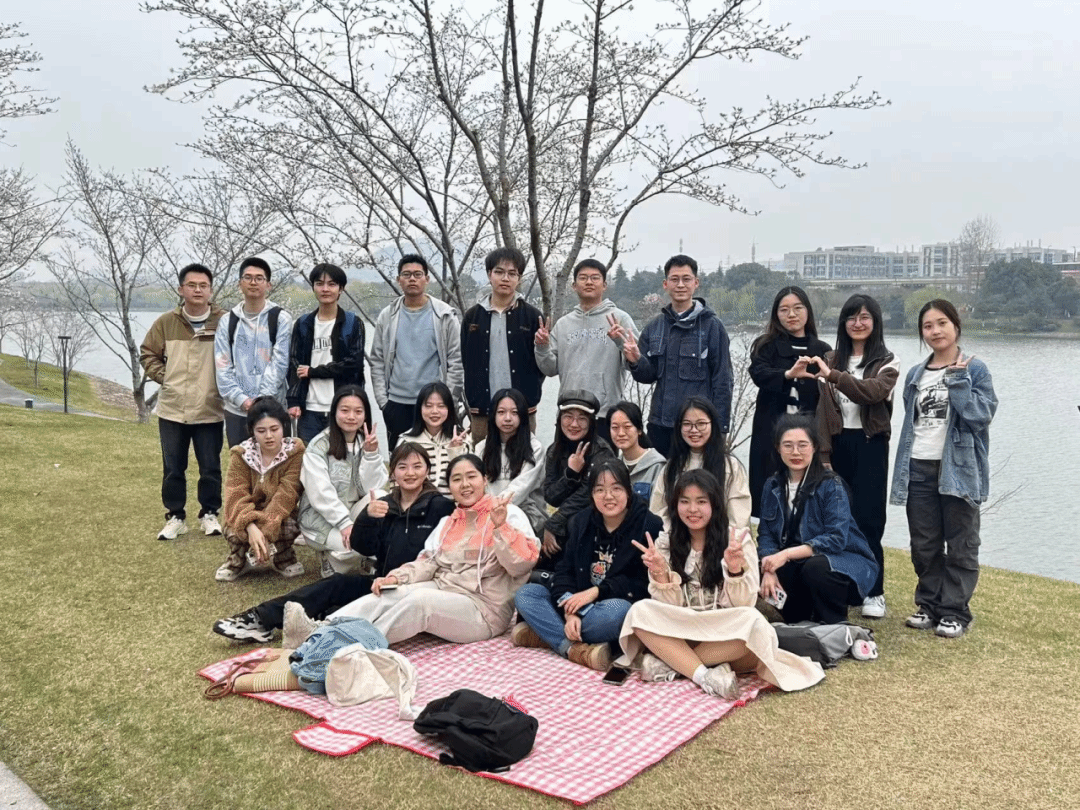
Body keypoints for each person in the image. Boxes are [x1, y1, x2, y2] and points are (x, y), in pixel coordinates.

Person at [213, 443, 455, 643]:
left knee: (339, 612)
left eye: (417, 466)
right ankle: (259, 618)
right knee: (336, 585)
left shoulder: (440, 507)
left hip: (412, 591)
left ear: (427, 471)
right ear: (393, 473)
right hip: (380, 584)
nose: (410, 473)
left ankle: (312, 626)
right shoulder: (385, 505)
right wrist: (368, 517)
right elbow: (363, 547)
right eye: (402, 467)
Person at [618, 469, 824, 697]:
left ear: (715, 505)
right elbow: (670, 607)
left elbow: (744, 604)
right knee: (639, 611)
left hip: (724, 632)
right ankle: (705, 676)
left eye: (701, 501)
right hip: (683, 630)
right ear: (675, 505)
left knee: (754, 622)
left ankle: (674, 664)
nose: (692, 509)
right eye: (684, 501)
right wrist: (660, 573)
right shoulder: (666, 542)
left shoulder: (737, 540)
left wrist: (735, 570)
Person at [311, 454, 539, 644]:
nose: (465, 484)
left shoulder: (509, 514)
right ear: (450, 487)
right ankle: (321, 631)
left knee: (421, 601)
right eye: (457, 479)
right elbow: (428, 563)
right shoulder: (449, 522)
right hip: (444, 590)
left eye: (471, 477)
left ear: (485, 479)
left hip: (484, 609)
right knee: (392, 592)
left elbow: (521, 566)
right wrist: (396, 578)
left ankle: (346, 644)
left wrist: (500, 527)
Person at [890, 300, 997, 639]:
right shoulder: (915, 374)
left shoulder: (975, 369)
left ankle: (954, 611)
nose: (935, 331)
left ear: (955, 326)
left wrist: (959, 381)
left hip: (958, 468)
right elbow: (914, 420)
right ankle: (930, 604)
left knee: (962, 542)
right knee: (924, 544)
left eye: (941, 323)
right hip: (917, 465)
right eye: (927, 326)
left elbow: (980, 417)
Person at [513, 460, 660, 671]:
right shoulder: (581, 521)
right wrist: (569, 612)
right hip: (576, 604)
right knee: (527, 594)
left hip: (606, 609)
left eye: (616, 488)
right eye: (600, 490)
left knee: (620, 611)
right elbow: (565, 570)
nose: (608, 496)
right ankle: (573, 649)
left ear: (628, 491)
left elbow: (640, 584)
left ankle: (546, 635)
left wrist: (596, 592)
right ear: (591, 494)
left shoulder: (648, 524)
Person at [813, 294, 900, 619]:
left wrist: (834, 376)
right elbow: (823, 412)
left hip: (870, 445)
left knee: (869, 519)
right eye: (851, 317)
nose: (858, 323)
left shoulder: (888, 362)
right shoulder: (831, 358)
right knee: (837, 519)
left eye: (865, 317)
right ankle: (847, 587)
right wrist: (823, 454)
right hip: (838, 445)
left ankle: (874, 592)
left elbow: (871, 393)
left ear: (875, 322)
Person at [757, 415, 879, 625]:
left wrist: (785, 555)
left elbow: (836, 538)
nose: (796, 452)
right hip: (797, 560)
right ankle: (801, 619)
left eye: (802, 445)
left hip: (843, 561)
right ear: (778, 448)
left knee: (816, 567)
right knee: (755, 563)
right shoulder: (773, 485)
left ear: (814, 447)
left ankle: (835, 622)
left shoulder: (831, 484)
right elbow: (766, 534)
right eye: (788, 445)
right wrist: (768, 568)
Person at [139, 262, 227, 540]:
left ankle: (209, 514)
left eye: (203, 285)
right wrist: (166, 377)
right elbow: (147, 353)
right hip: (173, 409)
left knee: (210, 467)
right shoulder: (166, 322)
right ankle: (175, 516)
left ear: (210, 290)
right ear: (181, 289)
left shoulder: (224, 321)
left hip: (210, 407)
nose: (197, 290)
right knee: (173, 468)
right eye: (192, 285)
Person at [621, 254, 733, 456]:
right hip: (660, 424)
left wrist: (720, 427)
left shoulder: (712, 327)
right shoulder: (655, 327)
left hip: (696, 428)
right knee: (660, 476)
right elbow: (647, 376)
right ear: (665, 284)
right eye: (674, 279)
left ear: (696, 283)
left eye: (686, 279)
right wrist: (635, 360)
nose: (680, 285)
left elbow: (723, 380)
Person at [747, 286, 832, 517]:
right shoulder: (765, 346)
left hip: (809, 438)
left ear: (808, 311)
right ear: (776, 314)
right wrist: (787, 374)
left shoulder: (822, 350)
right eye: (784, 310)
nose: (791, 314)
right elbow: (758, 374)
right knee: (770, 499)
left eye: (797, 308)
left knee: (808, 502)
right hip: (770, 434)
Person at [534, 258, 636, 444]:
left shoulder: (620, 319)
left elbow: (636, 364)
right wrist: (541, 347)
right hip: (569, 412)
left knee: (604, 463)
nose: (589, 282)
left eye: (595, 278)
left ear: (604, 285)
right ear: (574, 286)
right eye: (583, 278)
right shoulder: (563, 324)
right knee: (566, 462)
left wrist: (622, 343)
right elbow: (549, 369)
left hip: (605, 413)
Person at [369, 254, 464, 449]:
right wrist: (383, 402)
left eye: (417, 274)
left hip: (434, 404)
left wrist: (448, 401)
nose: (412, 279)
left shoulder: (444, 315)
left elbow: (456, 361)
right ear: (398, 280)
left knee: (438, 458)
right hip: (396, 403)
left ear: (427, 279)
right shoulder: (388, 316)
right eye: (406, 274)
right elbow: (377, 360)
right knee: (401, 460)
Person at [298, 385, 390, 579]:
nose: (351, 417)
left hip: (352, 513)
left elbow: (372, 488)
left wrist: (371, 454)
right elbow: (319, 492)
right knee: (356, 545)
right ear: (334, 412)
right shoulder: (319, 446)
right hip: (321, 519)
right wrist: (344, 523)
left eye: (358, 411)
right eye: (345, 410)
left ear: (365, 415)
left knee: (381, 497)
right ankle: (331, 559)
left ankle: (362, 558)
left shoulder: (366, 441)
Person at [460, 247, 544, 443]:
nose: (505, 278)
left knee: (523, 457)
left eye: (512, 273)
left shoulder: (532, 317)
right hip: (482, 409)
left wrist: (529, 392)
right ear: (489, 275)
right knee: (482, 457)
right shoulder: (473, 317)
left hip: (522, 410)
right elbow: (465, 360)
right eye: (499, 272)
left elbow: (541, 364)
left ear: (519, 278)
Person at [217, 397, 305, 581]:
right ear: (252, 431)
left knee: (290, 525)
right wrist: (251, 527)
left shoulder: (295, 452)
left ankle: (283, 557)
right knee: (233, 526)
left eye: (274, 429)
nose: (269, 436)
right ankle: (238, 561)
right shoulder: (240, 455)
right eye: (261, 431)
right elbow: (236, 495)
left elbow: (287, 494)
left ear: (283, 427)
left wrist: (264, 531)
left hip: (279, 514)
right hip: (249, 513)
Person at [214, 256, 293, 447]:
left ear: (268, 285)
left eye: (259, 278)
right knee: (241, 461)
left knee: (277, 462)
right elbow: (222, 366)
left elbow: (280, 363)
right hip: (237, 410)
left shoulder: (280, 319)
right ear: (240, 283)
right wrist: (243, 400)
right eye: (248, 277)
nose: (253, 282)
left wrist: (261, 402)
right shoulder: (227, 321)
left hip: (273, 410)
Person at [286, 263, 366, 444]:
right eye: (319, 283)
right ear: (313, 287)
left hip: (343, 408)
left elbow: (353, 364)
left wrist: (314, 372)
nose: (325, 289)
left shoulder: (352, 323)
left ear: (341, 289)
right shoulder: (303, 324)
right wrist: (293, 401)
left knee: (343, 457)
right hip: (309, 410)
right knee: (309, 458)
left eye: (332, 284)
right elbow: (294, 364)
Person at [649, 397, 751, 536]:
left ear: (713, 425)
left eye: (701, 423)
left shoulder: (730, 466)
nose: (694, 430)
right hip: (677, 541)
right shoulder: (671, 467)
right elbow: (659, 512)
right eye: (687, 424)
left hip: (721, 541)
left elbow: (738, 519)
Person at [540, 389, 617, 570]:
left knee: (575, 523)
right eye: (568, 417)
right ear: (559, 419)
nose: (574, 424)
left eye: (582, 418)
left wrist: (554, 522)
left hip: (596, 518)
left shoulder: (602, 452)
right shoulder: (554, 450)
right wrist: (571, 474)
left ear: (591, 422)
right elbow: (551, 496)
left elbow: (588, 494)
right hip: (566, 518)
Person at [475, 388, 548, 535]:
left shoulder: (534, 448)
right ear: (493, 415)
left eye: (514, 413)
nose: (507, 418)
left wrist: (497, 508)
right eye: (501, 412)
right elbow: (476, 483)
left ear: (522, 416)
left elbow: (520, 488)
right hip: (490, 513)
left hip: (526, 514)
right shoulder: (481, 448)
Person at [395, 381, 471, 496]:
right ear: (419, 408)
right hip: (417, 504)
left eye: (441, 406)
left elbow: (469, 478)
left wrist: (455, 451)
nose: (434, 411)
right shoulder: (406, 440)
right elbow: (396, 481)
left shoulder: (462, 439)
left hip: (453, 504)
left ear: (449, 409)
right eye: (428, 406)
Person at [607, 401, 666, 502]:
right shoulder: (612, 467)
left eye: (627, 427)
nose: (621, 433)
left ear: (639, 430)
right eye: (615, 428)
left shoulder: (658, 466)